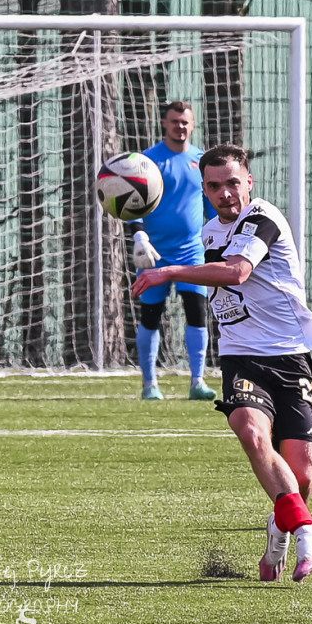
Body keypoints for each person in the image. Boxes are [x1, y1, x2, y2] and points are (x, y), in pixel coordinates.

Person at [131, 144, 312, 582]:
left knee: (301, 477)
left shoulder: (262, 218)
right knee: (249, 429)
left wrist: (167, 272)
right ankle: (307, 533)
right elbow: (212, 274)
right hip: (241, 358)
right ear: (204, 189)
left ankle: (280, 527)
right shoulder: (206, 234)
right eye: (215, 186)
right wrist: (160, 260)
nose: (225, 193)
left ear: (249, 183)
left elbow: (237, 271)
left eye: (232, 183)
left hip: (290, 357)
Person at [130, 100, 218, 401]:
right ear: (165, 124)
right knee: (151, 316)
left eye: (185, 122)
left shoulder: (202, 161)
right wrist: (139, 234)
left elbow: (212, 208)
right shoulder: (148, 161)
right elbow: (132, 200)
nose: (180, 126)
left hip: (192, 252)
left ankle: (197, 381)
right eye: (174, 121)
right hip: (154, 254)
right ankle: (150, 384)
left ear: (192, 125)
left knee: (197, 312)